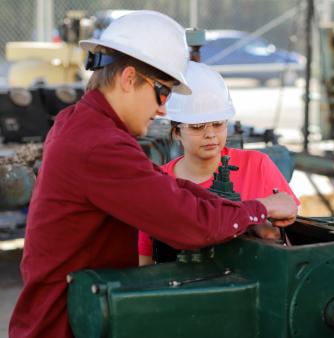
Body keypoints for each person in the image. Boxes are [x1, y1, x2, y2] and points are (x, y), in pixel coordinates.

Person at [9, 11, 297, 338]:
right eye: (163, 93)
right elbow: (189, 223)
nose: (163, 109)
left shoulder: (79, 123)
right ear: (130, 79)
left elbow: (164, 187)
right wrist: (261, 208)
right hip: (66, 325)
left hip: (70, 314)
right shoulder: (98, 145)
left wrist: (241, 213)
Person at [138, 62, 300, 265]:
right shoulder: (159, 183)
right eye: (197, 127)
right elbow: (145, 260)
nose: (210, 135)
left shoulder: (257, 165)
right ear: (177, 131)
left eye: (218, 123)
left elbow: (293, 239)